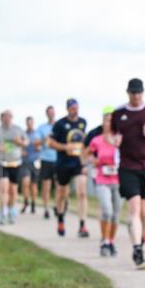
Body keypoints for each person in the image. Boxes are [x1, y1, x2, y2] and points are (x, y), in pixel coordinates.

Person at [111, 78, 145, 270]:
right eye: (133, 93)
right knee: (134, 208)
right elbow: (111, 135)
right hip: (127, 167)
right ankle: (137, 250)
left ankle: (140, 242)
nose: (136, 96)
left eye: (139, 93)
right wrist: (115, 141)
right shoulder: (119, 113)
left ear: (143, 93)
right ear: (128, 93)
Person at [48, 99, 90, 237]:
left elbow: (85, 143)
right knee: (62, 194)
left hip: (78, 163)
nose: (75, 110)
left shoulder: (83, 122)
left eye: (76, 108)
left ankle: (82, 225)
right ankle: (60, 218)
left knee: (82, 193)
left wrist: (85, 160)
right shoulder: (60, 124)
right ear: (67, 109)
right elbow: (50, 142)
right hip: (63, 163)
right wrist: (65, 147)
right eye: (72, 108)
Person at [87, 108, 123, 256]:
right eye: (107, 120)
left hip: (119, 179)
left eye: (112, 121)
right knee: (107, 210)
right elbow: (88, 154)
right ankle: (104, 241)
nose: (109, 123)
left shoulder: (120, 139)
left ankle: (111, 241)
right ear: (103, 122)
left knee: (116, 214)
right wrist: (93, 160)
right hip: (102, 179)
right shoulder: (97, 140)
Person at [0, 110, 27, 225]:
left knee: (13, 190)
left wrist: (20, 142)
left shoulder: (18, 129)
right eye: (5, 117)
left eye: (9, 116)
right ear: (1, 118)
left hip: (15, 163)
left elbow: (26, 142)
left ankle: (11, 210)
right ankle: (3, 213)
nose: (7, 119)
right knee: (4, 188)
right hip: (1, 162)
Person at [36, 106, 58, 220]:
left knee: (59, 186)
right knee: (46, 186)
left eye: (53, 112)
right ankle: (46, 208)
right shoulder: (41, 128)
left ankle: (57, 206)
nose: (51, 114)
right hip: (46, 159)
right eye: (49, 113)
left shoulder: (59, 126)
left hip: (58, 159)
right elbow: (36, 143)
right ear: (46, 114)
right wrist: (45, 138)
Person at [20, 116, 40, 214]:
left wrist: (38, 147)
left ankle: (33, 203)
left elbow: (40, 146)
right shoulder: (23, 134)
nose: (30, 125)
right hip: (25, 162)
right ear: (26, 124)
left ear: (33, 123)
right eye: (28, 123)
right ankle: (25, 202)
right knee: (25, 183)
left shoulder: (37, 134)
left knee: (34, 185)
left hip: (35, 162)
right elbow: (18, 146)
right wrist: (21, 151)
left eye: (31, 123)